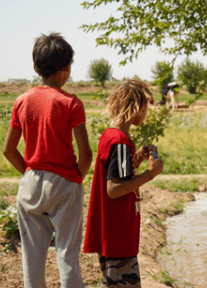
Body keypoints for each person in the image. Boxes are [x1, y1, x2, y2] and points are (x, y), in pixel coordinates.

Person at [2, 33, 92, 287]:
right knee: (67, 256)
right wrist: (75, 178)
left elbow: (9, 150)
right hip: (64, 182)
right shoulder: (71, 103)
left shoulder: (21, 101)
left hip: (30, 184)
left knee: (32, 259)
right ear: (67, 68)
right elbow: (85, 154)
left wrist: (30, 173)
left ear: (35, 67)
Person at [83, 79, 164, 288]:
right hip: (117, 234)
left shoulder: (112, 136)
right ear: (137, 107)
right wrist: (150, 174)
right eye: (146, 106)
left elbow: (119, 174)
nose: (146, 113)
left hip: (114, 231)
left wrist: (136, 158)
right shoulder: (119, 141)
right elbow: (113, 189)